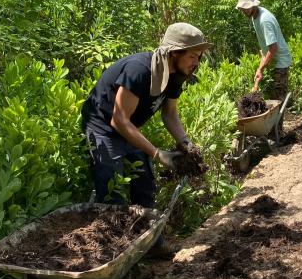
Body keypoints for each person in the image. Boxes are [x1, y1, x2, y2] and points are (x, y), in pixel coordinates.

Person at [81, 22, 210, 213]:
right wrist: (158, 154)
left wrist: (186, 144)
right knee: (112, 192)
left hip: (128, 127)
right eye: (192, 56)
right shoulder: (140, 70)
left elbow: (170, 113)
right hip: (103, 128)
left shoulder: (175, 75)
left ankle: (151, 239)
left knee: (145, 185)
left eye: (198, 57)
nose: (196, 63)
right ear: (174, 52)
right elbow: (119, 120)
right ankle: (116, 240)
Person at [235, 0, 292, 131]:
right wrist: (260, 67)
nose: (244, 11)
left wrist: (261, 68)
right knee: (271, 99)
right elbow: (265, 50)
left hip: (281, 62)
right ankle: (269, 129)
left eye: (246, 7)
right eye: (242, 8)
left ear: (254, 4)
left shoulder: (264, 19)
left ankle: (277, 132)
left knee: (278, 98)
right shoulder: (255, 16)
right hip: (273, 59)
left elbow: (273, 48)